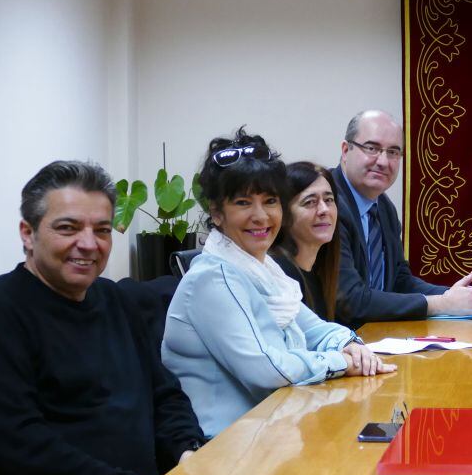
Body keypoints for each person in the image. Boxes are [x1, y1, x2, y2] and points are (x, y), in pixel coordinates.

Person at [0, 161, 205, 475]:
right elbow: (20, 448)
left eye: (102, 230)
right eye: (68, 228)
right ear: (28, 234)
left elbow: (164, 394)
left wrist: (187, 452)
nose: (89, 243)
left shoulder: (113, 300)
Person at [162, 128, 395, 438]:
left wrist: (349, 344)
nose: (261, 216)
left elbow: (314, 328)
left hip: (274, 429)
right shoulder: (213, 277)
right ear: (217, 213)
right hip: (223, 449)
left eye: (270, 201)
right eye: (243, 203)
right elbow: (268, 370)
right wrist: (340, 361)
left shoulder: (262, 268)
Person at [331, 110, 472, 329]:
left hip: (376, 337)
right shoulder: (328, 205)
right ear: (346, 150)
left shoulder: (384, 207)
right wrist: (441, 304)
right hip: (335, 346)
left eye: (393, 152)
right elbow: (351, 300)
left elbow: (399, 280)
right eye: (372, 148)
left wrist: (457, 296)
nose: (383, 161)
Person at [271, 162, 340, 320]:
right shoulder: (282, 273)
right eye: (310, 202)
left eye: (329, 200)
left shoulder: (318, 268)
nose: (324, 210)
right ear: (284, 214)